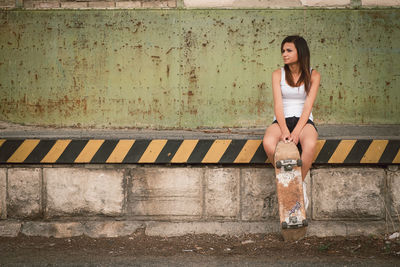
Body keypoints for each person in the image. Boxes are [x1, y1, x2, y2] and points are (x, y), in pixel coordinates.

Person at [263, 35, 320, 206]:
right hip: (282, 120)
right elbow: (278, 105)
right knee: (268, 142)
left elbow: (308, 105)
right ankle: (288, 182)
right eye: (283, 51)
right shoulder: (277, 74)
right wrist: (285, 130)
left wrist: (296, 132)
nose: (284, 54)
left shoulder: (313, 74)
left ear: (300, 52)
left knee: (309, 144)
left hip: (304, 120)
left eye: (289, 50)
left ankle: (297, 185)